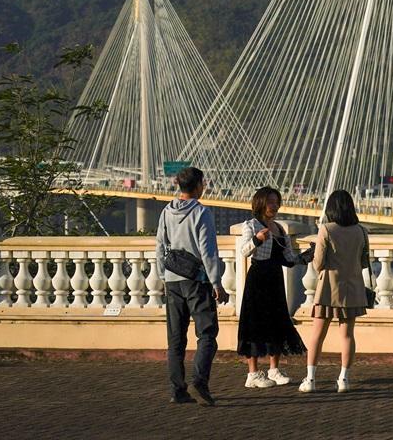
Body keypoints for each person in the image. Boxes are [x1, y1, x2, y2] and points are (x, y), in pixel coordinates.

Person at [155, 166, 228, 406]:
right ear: (197, 185)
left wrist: (163, 276)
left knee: (176, 338)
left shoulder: (166, 211)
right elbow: (208, 251)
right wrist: (216, 282)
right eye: (203, 183)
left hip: (172, 280)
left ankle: (178, 390)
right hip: (196, 280)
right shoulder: (201, 212)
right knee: (207, 333)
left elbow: (160, 246)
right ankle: (200, 381)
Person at [236, 186, 309, 387]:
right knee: (254, 322)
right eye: (270, 202)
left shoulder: (279, 228)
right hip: (258, 278)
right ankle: (252, 374)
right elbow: (244, 251)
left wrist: (305, 258)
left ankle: (274, 369)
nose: (274, 206)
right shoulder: (251, 225)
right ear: (260, 203)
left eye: (276, 202)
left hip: (275, 278)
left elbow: (288, 258)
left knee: (277, 320)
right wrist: (257, 240)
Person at [300, 189, 370, 393]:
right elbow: (364, 262)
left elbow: (318, 264)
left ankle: (310, 379)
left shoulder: (326, 229)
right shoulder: (361, 231)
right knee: (347, 336)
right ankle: (344, 379)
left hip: (328, 289)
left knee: (317, 335)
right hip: (352, 289)